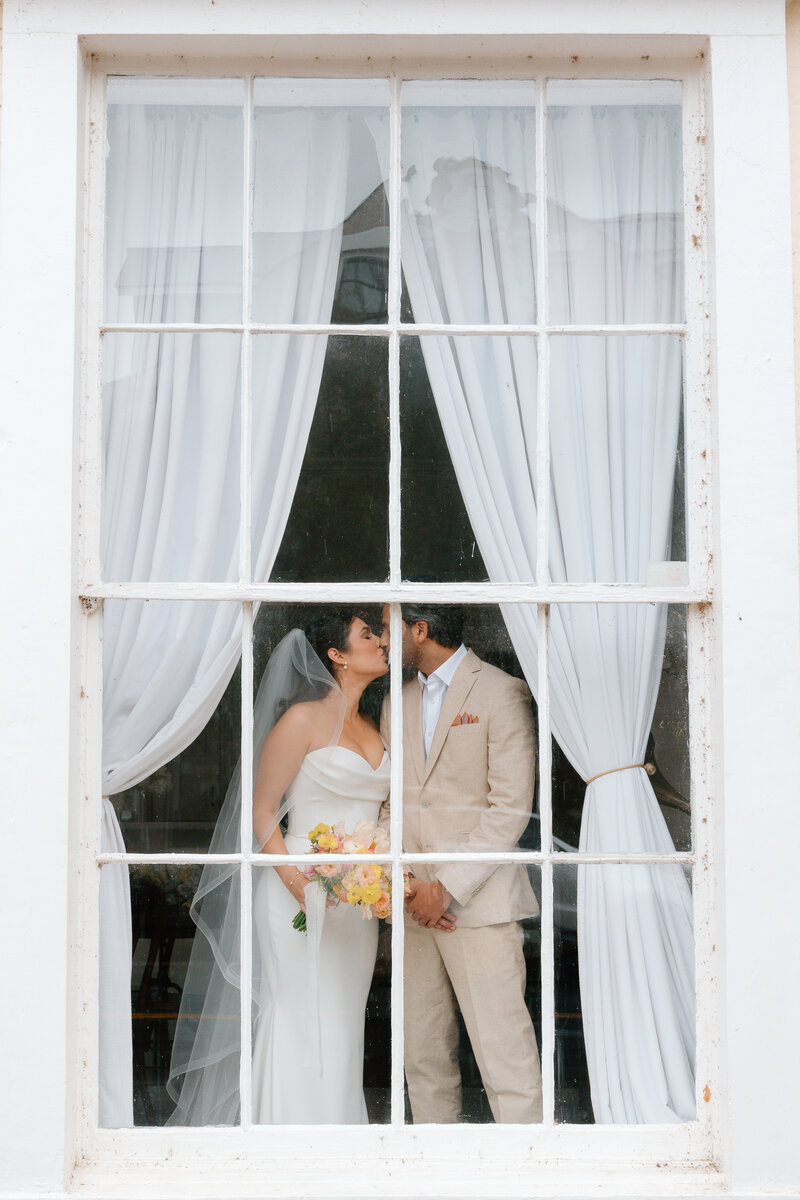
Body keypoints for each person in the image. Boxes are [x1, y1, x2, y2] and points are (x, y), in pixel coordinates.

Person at [167, 612, 391, 1126]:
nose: (381, 642)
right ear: (337, 655)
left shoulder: (375, 726)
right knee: (297, 1015)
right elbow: (263, 809)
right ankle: (283, 1137)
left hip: (356, 901)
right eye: (367, 635)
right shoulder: (301, 720)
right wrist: (296, 882)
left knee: (343, 1021)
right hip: (296, 884)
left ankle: (339, 1136)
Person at [380, 603, 543, 1124]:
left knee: (504, 1056)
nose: (383, 639)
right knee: (423, 1057)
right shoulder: (395, 701)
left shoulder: (501, 691)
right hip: (413, 908)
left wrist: (446, 887)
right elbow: (388, 803)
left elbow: (510, 809)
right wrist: (408, 884)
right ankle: (435, 1163)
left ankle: (526, 1164)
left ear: (420, 629)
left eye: (389, 627)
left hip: (480, 905)